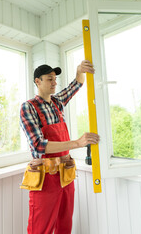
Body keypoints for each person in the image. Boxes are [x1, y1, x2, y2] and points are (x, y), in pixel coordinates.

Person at [19, 60, 100, 234]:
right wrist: (77, 143)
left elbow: (75, 85)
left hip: (66, 174)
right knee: (40, 229)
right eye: (50, 79)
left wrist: (79, 71)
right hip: (45, 178)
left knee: (64, 225)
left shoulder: (57, 102)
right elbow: (39, 146)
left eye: (55, 78)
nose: (54, 82)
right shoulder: (29, 107)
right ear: (37, 81)